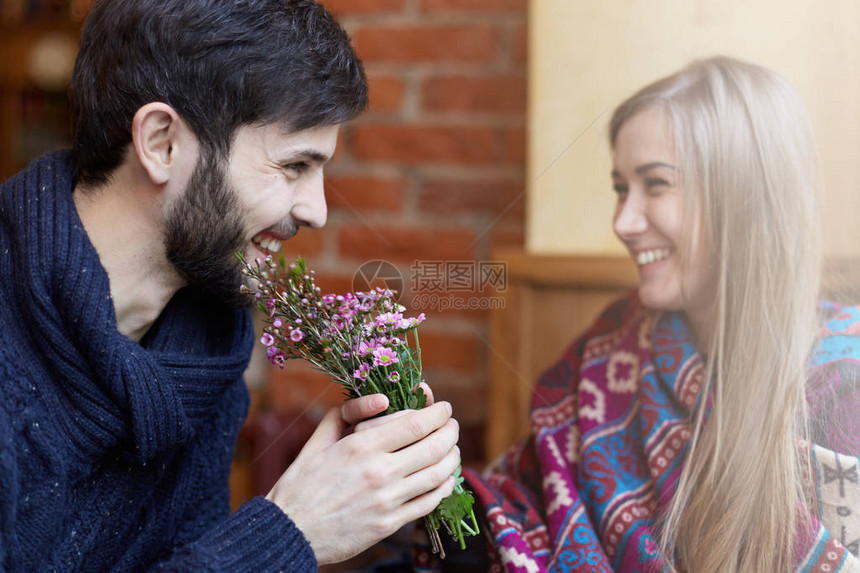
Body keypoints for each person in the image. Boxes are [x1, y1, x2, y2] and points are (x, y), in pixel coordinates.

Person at [0, 0, 461, 570]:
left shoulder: (204, 354)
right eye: (294, 166)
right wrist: (292, 531)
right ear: (162, 142)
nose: (316, 210)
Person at [416, 57, 860, 572]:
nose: (623, 222)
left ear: (744, 197)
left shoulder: (841, 390)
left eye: (656, 185)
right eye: (622, 188)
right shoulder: (618, 337)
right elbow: (523, 497)